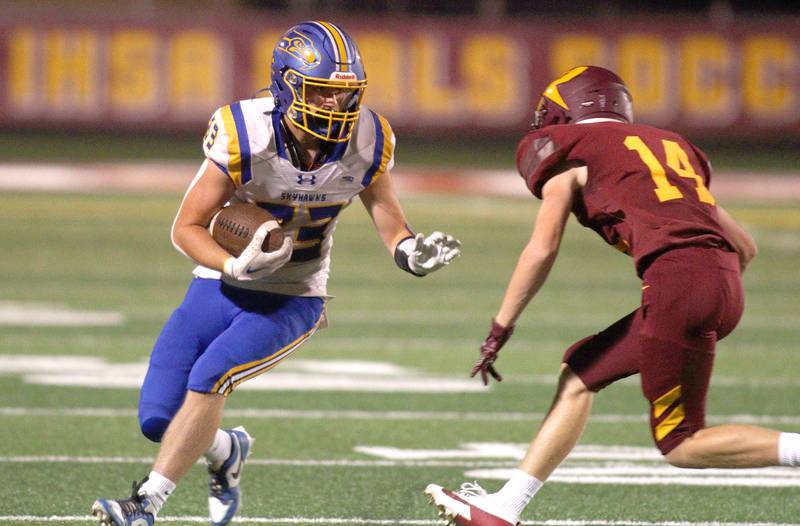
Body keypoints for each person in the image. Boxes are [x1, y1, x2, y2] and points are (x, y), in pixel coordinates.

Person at [91, 20, 461, 526]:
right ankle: (225, 449)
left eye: (343, 94)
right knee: (159, 418)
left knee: (210, 377)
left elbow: (393, 227)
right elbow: (187, 227)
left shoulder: (369, 139)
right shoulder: (246, 132)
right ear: (287, 84)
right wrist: (232, 262)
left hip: (294, 294)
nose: (336, 106)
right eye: (321, 92)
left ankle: (145, 504)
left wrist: (413, 254)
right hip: (221, 284)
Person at [425, 65, 800, 526]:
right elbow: (746, 247)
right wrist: (708, 292)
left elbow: (542, 249)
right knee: (580, 372)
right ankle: (506, 504)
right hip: (721, 280)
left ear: (565, 112)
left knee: (682, 443)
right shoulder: (670, 146)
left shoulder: (572, 153)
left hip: (679, 283)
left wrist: (500, 327)